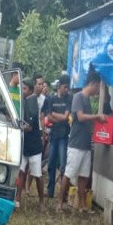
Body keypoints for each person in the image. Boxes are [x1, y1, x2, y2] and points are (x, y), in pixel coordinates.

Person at [57, 70, 106, 213]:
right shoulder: (78, 97)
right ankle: (60, 203)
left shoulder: (88, 100)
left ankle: (83, 205)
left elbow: (87, 119)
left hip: (85, 143)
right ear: (92, 84)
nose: (97, 90)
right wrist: (96, 117)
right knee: (69, 173)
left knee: (84, 176)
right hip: (76, 143)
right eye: (97, 87)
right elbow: (81, 117)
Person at [15, 77, 46, 211]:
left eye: (25, 88)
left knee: (37, 175)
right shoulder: (22, 101)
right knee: (21, 173)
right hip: (24, 145)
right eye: (22, 88)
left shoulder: (32, 103)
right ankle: (17, 200)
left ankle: (41, 201)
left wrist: (18, 127)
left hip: (34, 147)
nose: (22, 90)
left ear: (30, 90)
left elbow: (29, 127)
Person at [42, 74, 72, 198]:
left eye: (68, 87)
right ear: (59, 86)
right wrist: (60, 118)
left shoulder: (69, 98)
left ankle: (62, 194)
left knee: (63, 165)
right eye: (65, 87)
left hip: (64, 136)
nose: (67, 89)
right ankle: (50, 191)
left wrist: (55, 115)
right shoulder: (51, 99)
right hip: (54, 136)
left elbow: (66, 117)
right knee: (51, 164)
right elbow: (48, 116)